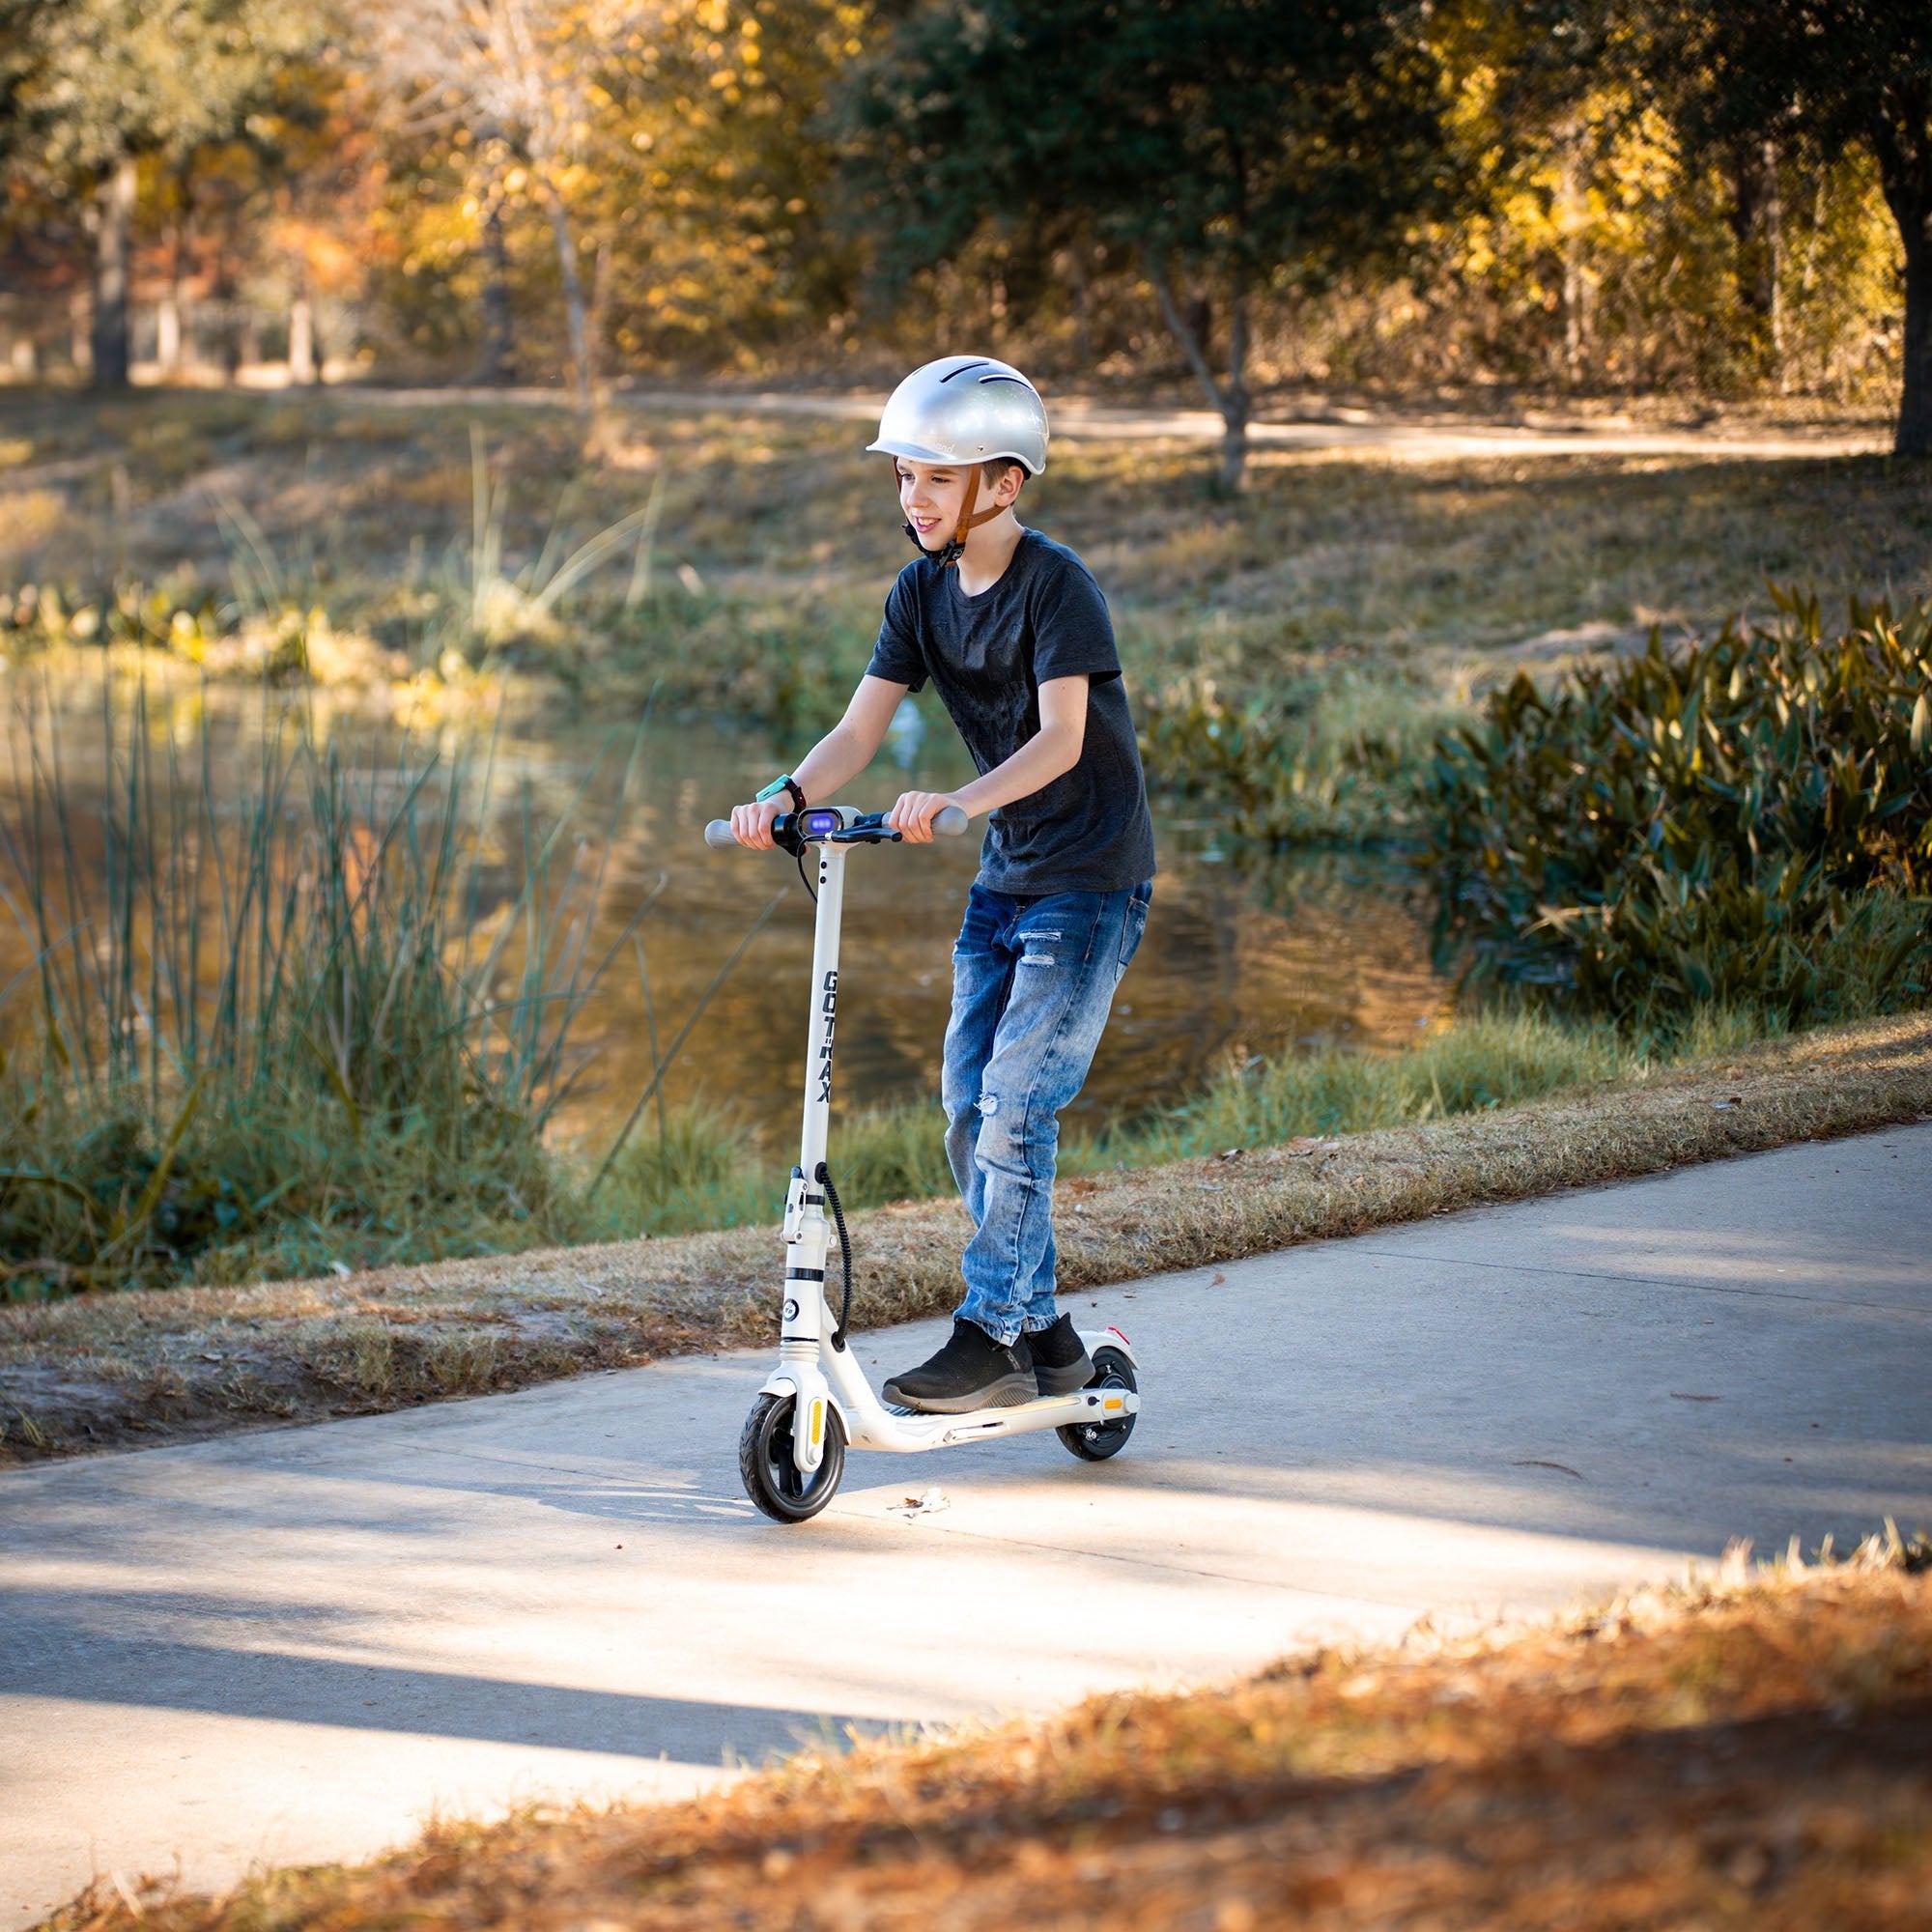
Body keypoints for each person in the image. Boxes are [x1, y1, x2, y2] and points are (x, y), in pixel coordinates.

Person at [728, 355, 1155, 1413]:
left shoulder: (1056, 586)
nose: (909, 499)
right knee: (967, 1108)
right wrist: (780, 794)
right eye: (901, 478)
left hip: (1089, 880)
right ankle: (1049, 1332)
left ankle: (991, 1330)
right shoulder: (919, 592)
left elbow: (1060, 742)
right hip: (1009, 878)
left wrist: (960, 801)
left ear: (1001, 485)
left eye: (931, 478)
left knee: (1018, 1102)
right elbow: (859, 728)